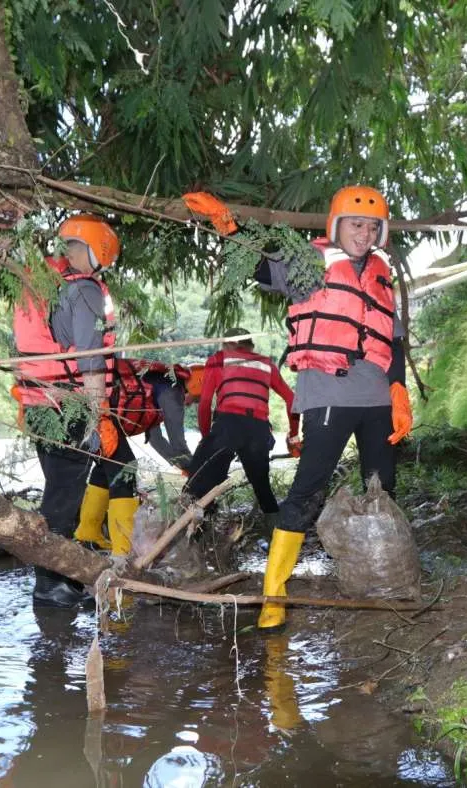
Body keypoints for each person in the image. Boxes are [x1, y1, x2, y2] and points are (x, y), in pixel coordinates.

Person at [183, 186, 414, 632]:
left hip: (377, 398)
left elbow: (394, 339)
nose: (363, 234)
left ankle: (378, 579)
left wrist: (399, 390)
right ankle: (274, 594)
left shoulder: (381, 275)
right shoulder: (311, 264)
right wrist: (229, 229)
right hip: (329, 391)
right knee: (306, 492)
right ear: (336, 226)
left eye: (371, 227)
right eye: (355, 225)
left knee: (382, 486)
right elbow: (261, 266)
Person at [12, 213, 133, 607]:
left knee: (75, 486)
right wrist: (99, 416)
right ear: (97, 251)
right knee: (63, 497)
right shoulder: (85, 292)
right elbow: (91, 360)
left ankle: (70, 571)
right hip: (69, 407)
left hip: (41, 405)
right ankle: (50, 584)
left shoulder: (45, 285)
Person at [74, 360, 194, 553]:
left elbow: (156, 440)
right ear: (190, 390)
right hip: (102, 414)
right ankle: (124, 551)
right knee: (125, 470)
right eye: (193, 401)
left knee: (106, 468)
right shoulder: (173, 392)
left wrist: (181, 467)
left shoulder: (154, 387)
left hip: (92, 411)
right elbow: (178, 444)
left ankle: (88, 535)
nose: (189, 405)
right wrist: (193, 469)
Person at [182, 331, 299, 524]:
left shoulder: (218, 359)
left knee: (198, 483)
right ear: (250, 346)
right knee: (263, 488)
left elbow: (204, 404)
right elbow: (291, 399)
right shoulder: (266, 363)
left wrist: (206, 437)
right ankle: (277, 542)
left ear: (226, 345)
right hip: (259, 429)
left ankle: (194, 536)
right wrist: (293, 437)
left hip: (228, 425)